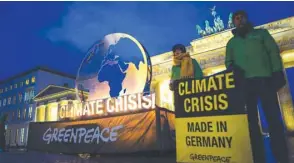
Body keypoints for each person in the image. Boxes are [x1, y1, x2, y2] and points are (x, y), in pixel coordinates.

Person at [225, 10, 289, 163]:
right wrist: (232, 70)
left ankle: (281, 155)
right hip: (244, 84)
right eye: (236, 19)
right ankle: (255, 154)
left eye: (241, 18)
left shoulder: (261, 34)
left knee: (273, 118)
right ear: (234, 22)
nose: (239, 21)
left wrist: (277, 72)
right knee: (250, 121)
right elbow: (228, 62)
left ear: (246, 19)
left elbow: (273, 52)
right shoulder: (231, 43)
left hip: (264, 79)